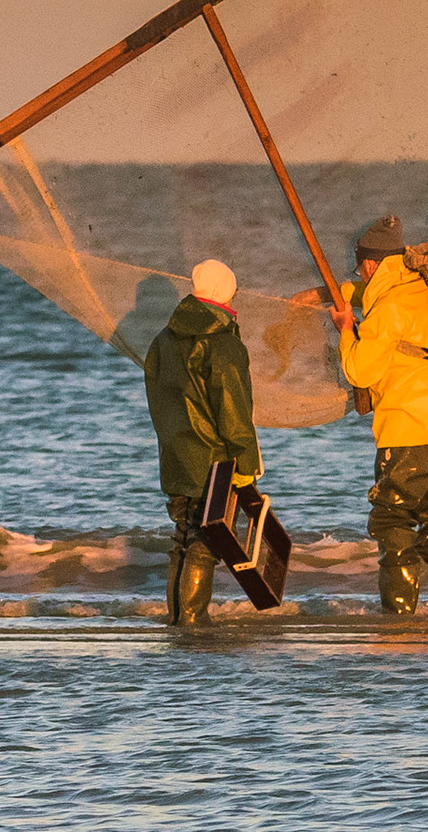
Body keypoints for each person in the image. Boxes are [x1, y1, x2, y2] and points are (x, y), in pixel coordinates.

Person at [330, 215, 428, 615]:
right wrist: (337, 293)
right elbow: (367, 294)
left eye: (360, 266)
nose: (359, 273)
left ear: (371, 265)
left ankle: (398, 621)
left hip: (410, 429)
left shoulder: (389, 307)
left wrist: (345, 329)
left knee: (391, 519)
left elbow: (359, 370)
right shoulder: (425, 287)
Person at [145, 259, 262, 627]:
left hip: (176, 456)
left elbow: (159, 400)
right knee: (206, 541)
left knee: (183, 535)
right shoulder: (222, 343)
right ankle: (194, 621)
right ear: (227, 294)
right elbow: (234, 412)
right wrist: (246, 464)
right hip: (214, 458)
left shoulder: (162, 340)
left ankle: (179, 620)